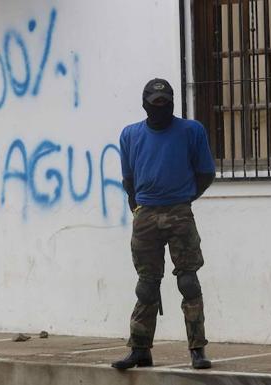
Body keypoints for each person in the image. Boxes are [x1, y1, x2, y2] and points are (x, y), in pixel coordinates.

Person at [112, 78, 216, 370]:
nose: (160, 108)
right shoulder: (130, 135)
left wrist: (184, 198)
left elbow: (205, 172)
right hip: (145, 214)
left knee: (188, 281)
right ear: (145, 104)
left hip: (179, 212)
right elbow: (128, 178)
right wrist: (139, 207)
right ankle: (140, 349)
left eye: (165, 103)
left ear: (172, 103)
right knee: (146, 285)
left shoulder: (191, 131)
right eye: (155, 103)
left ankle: (197, 349)